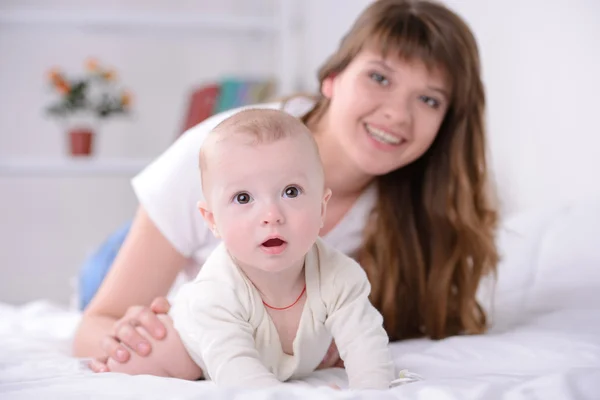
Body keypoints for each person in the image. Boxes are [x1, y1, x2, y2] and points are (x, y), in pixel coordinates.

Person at [74, 0, 499, 376]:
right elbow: (96, 325)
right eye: (380, 78)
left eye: (428, 100)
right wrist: (130, 337)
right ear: (331, 78)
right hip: (157, 259)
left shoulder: (414, 201)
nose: (397, 114)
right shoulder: (218, 155)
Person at [103, 109, 395, 389]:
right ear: (212, 220)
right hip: (199, 348)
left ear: (321, 208)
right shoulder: (216, 293)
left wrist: (370, 391)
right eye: (243, 198)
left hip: (278, 361)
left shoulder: (340, 276)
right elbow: (239, 375)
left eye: (290, 191)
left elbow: (366, 344)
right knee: (155, 353)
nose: (271, 214)